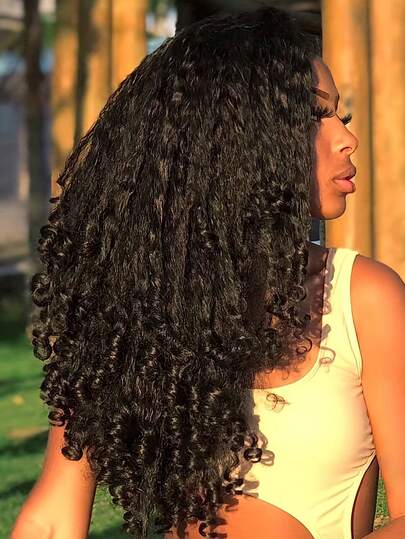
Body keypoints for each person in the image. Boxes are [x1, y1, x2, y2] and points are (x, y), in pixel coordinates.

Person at [11, 6, 405, 539]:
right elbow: (54, 516)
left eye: (341, 116)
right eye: (316, 115)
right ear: (232, 138)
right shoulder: (132, 309)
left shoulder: (364, 297)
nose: (346, 138)